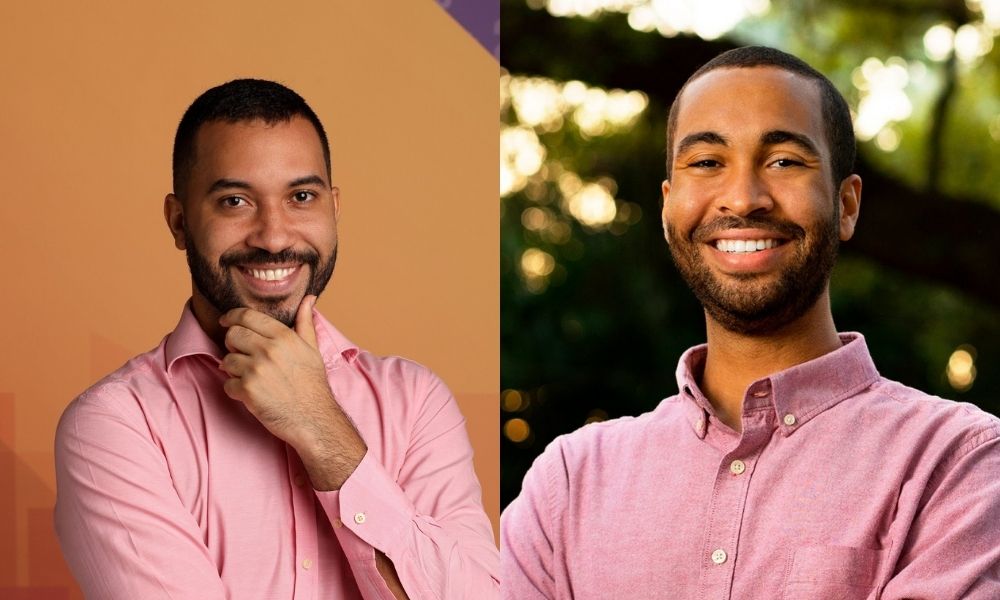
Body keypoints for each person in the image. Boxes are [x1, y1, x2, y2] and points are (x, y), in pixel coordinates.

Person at [500, 46, 1000, 599]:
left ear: (848, 205)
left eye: (784, 161)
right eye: (707, 163)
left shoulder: (958, 463)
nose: (743, 198)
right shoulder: (568, 485)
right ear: (668, 208)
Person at [54, 79, 499, 599]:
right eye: (235, 201)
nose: (274, 236)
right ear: (179, 222)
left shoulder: (417, 401)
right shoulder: (116, 425)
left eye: (301, 197)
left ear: (333, 209)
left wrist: (322, 429)